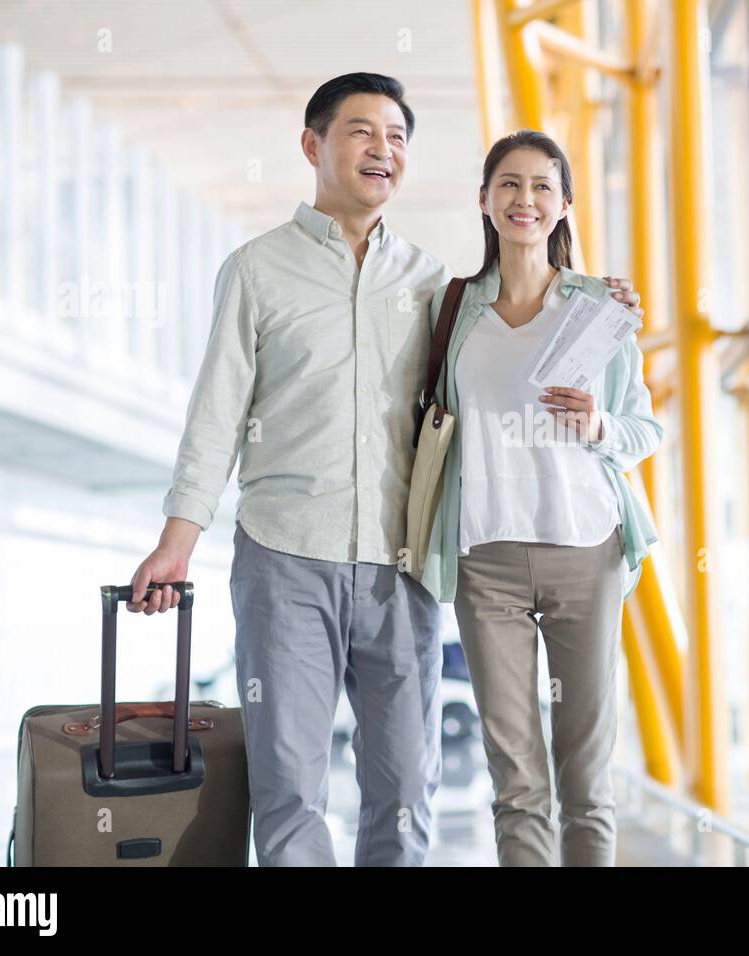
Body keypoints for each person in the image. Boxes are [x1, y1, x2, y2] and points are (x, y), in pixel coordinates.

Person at [125, 75, 643, 867]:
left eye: (398, 137)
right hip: (286, 554)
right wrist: (178, 540)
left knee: (405, 787)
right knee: (292, 785)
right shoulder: (257, 271)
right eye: (362, 132)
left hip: (403, 566)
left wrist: (596, 299)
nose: (383, 150)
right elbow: (215, 417)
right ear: (313, 146)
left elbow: (525, 327)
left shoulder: (437, 286)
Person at [418, 130, 662, 866]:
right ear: (486, 200)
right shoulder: (452, 308)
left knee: (586, 776)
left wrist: (597, 425)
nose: (525, 200)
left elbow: (644, 429)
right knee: (515, 778)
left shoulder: (600, 308)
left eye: (542, 187)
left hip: (585, 552)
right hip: (484, 559)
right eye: (510, 185)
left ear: (564, 207)